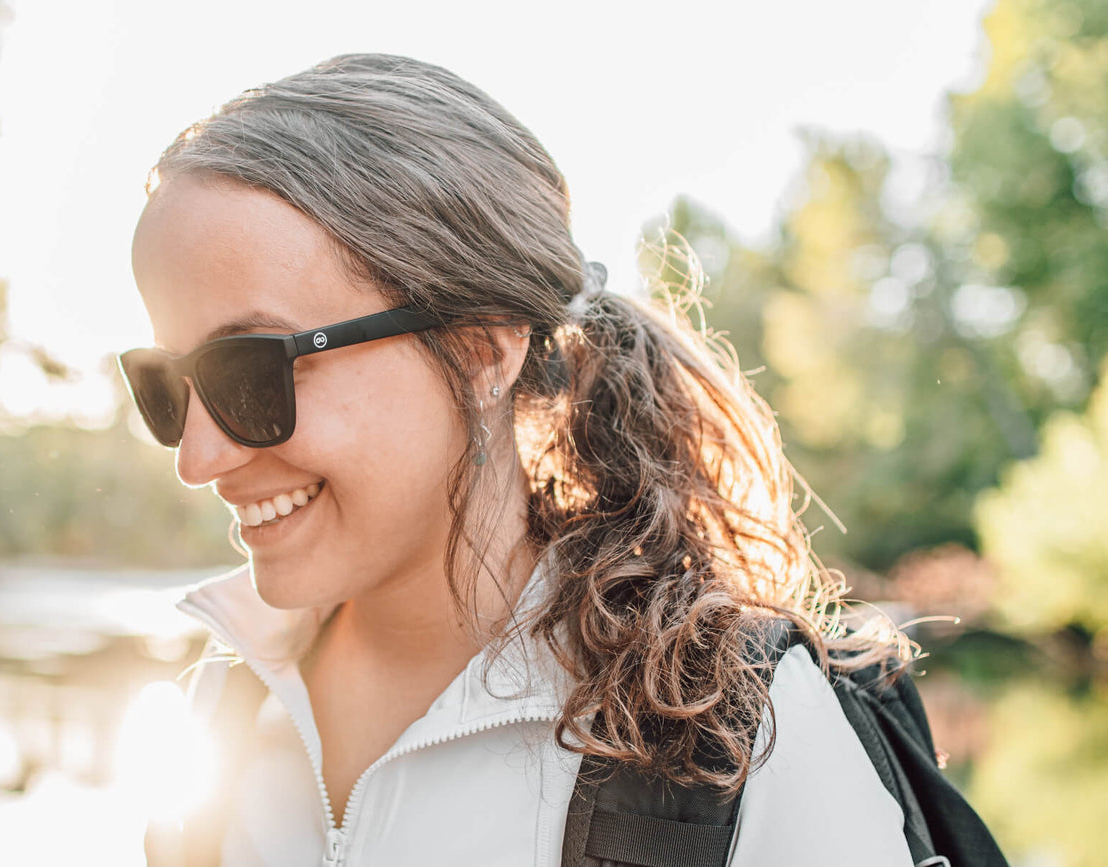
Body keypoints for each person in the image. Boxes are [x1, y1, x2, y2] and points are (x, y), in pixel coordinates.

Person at [121, 53, 914, 866]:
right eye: (165, 386)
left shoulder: (739, 741)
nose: (198, 455)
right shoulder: (215, 724)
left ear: (479, 351)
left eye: (249, 373)